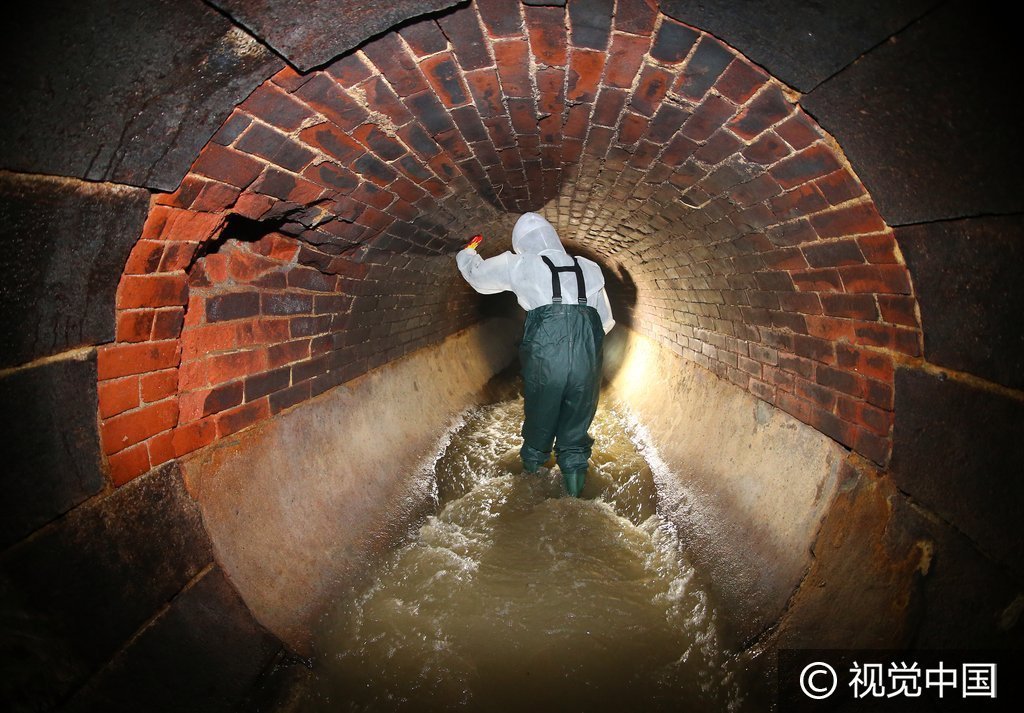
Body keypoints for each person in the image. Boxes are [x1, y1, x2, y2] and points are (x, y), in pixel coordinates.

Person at [456, 212, 615, 497]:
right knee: (577, 421)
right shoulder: (589, 267)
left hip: (546, 353)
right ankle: (575, 499)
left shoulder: (520, 263)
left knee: (541, 417)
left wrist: (467, 253)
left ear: (521, 243)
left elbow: (478, 278)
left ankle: (530, 491)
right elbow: (604, 321)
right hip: (586, 355)